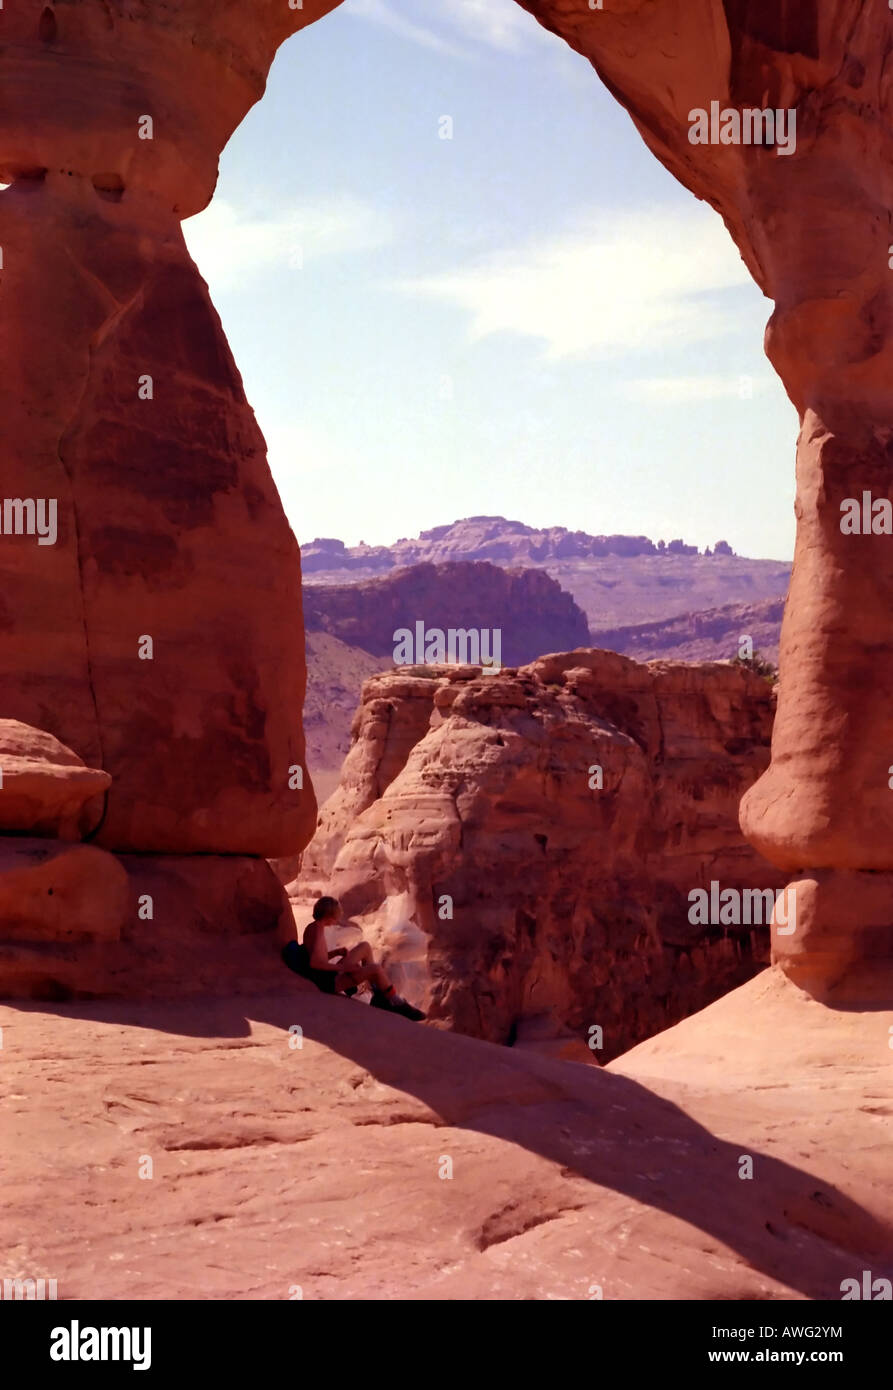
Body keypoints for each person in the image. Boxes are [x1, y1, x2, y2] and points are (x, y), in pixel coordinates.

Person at [282, 895, 425, 1022]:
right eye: (336, 915)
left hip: (325, 975)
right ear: (330, 915)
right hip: (328, 983)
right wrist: (345, 967)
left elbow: (316, 956)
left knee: (365, 947)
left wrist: (336, 952)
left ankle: (379, 995)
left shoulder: (313, 927)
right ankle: (396, 1002)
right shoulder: (318, 930)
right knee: (375, 969)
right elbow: (315, 963)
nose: (337, 919)